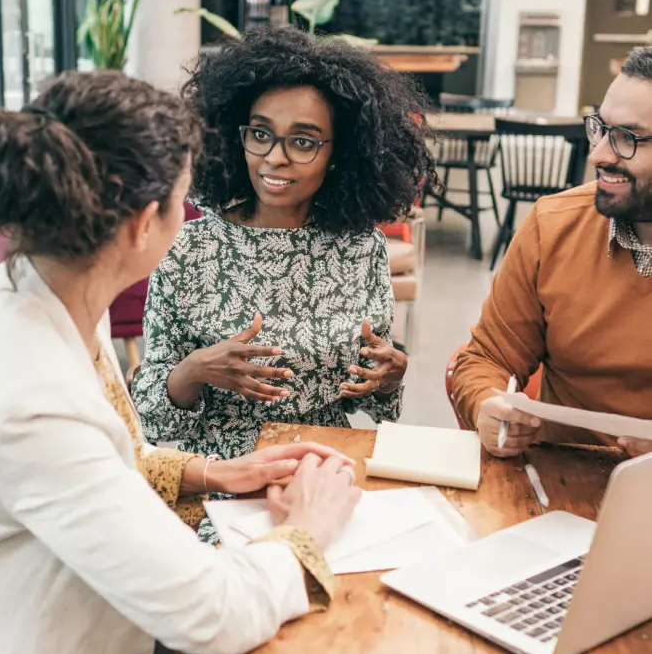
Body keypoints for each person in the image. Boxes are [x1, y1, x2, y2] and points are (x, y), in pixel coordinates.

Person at [0, 71, 362, 654]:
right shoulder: (26, 397)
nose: (188, 217)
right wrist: (307, 530)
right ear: (140, 225)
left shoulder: (48, 285)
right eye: (183, 200)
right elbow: (211, 613)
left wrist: (208, 471)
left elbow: (103, 450)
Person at [131, 27, 435, 472]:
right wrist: (195, 369)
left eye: (303, 141)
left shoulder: (360, 248)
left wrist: (390, 378)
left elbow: (376, 403)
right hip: (223, 472)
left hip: (327, 461)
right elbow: (151, 417)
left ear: (338, 154)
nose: (274, 157)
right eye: (260, 134)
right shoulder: (189, 249)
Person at [452, 45, 652, 459]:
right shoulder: (553, 225)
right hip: (559, 485)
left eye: (627, 139)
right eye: (600, 127)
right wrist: (485, 405)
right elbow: (485, 359)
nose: (598, 154)